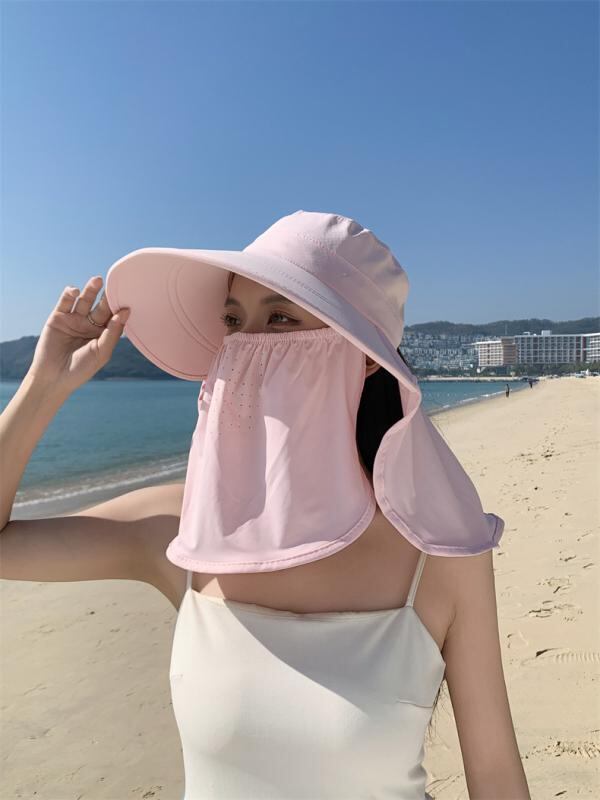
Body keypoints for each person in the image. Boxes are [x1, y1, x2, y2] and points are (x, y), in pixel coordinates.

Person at [0, 210, 531, 799]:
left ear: (363, 355)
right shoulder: (184, 534)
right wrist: (43, 386)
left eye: (280, 318)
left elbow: (496, 776)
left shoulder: (439, 554)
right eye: (233, 321)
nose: (245, 346)